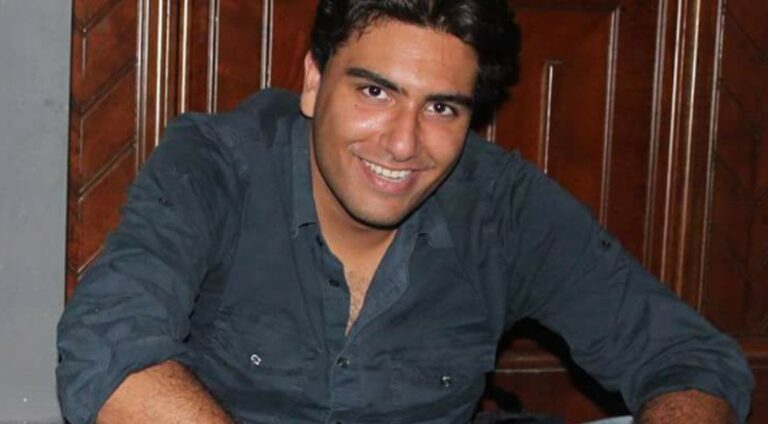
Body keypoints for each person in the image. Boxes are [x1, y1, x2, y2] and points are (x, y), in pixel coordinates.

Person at [56, 0, 754, 423]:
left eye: (441, 107)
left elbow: (691, 360)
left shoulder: (502, 206)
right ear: (313, 81)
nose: (402, 142)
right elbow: (109, 349)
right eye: (375, 92)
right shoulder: (217, 164)